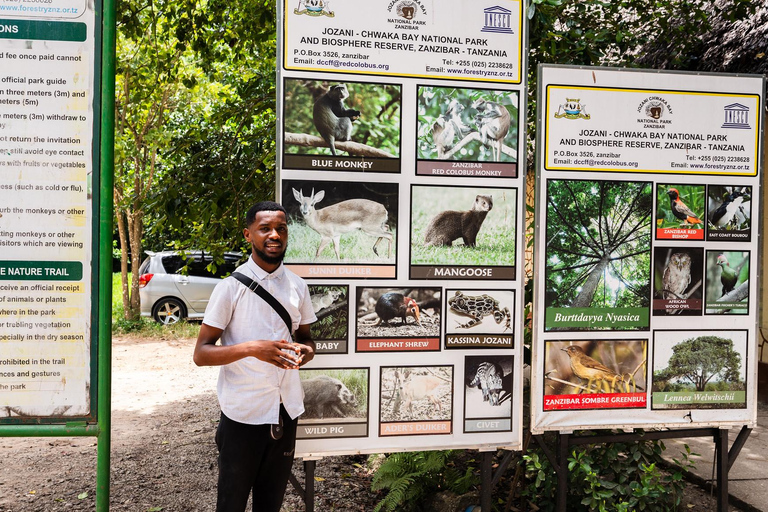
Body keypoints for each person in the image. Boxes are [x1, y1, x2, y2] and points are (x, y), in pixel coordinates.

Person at [193, 200, 316, 512]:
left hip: (286, 410)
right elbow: (201, 353)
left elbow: (307, 341)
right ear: (248, 235)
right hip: (242, 415)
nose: (274, 235)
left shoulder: (297, 286)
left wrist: (304, 352)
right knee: (230, 504)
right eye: (265, 229)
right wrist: (252, 349)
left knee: (270, 504)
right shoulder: (230, 288)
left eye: (281, 229)